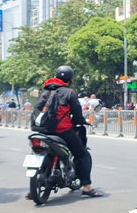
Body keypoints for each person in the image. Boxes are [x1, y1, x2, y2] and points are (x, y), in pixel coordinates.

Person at [33, 65, 101, 196]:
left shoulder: (45, 91)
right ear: (69, 81)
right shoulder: (69, 93)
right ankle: (87, 186)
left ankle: (33, 190)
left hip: (42, 130)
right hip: (62, 130)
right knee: (82, 155)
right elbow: (76, 113)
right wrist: (82, 122)